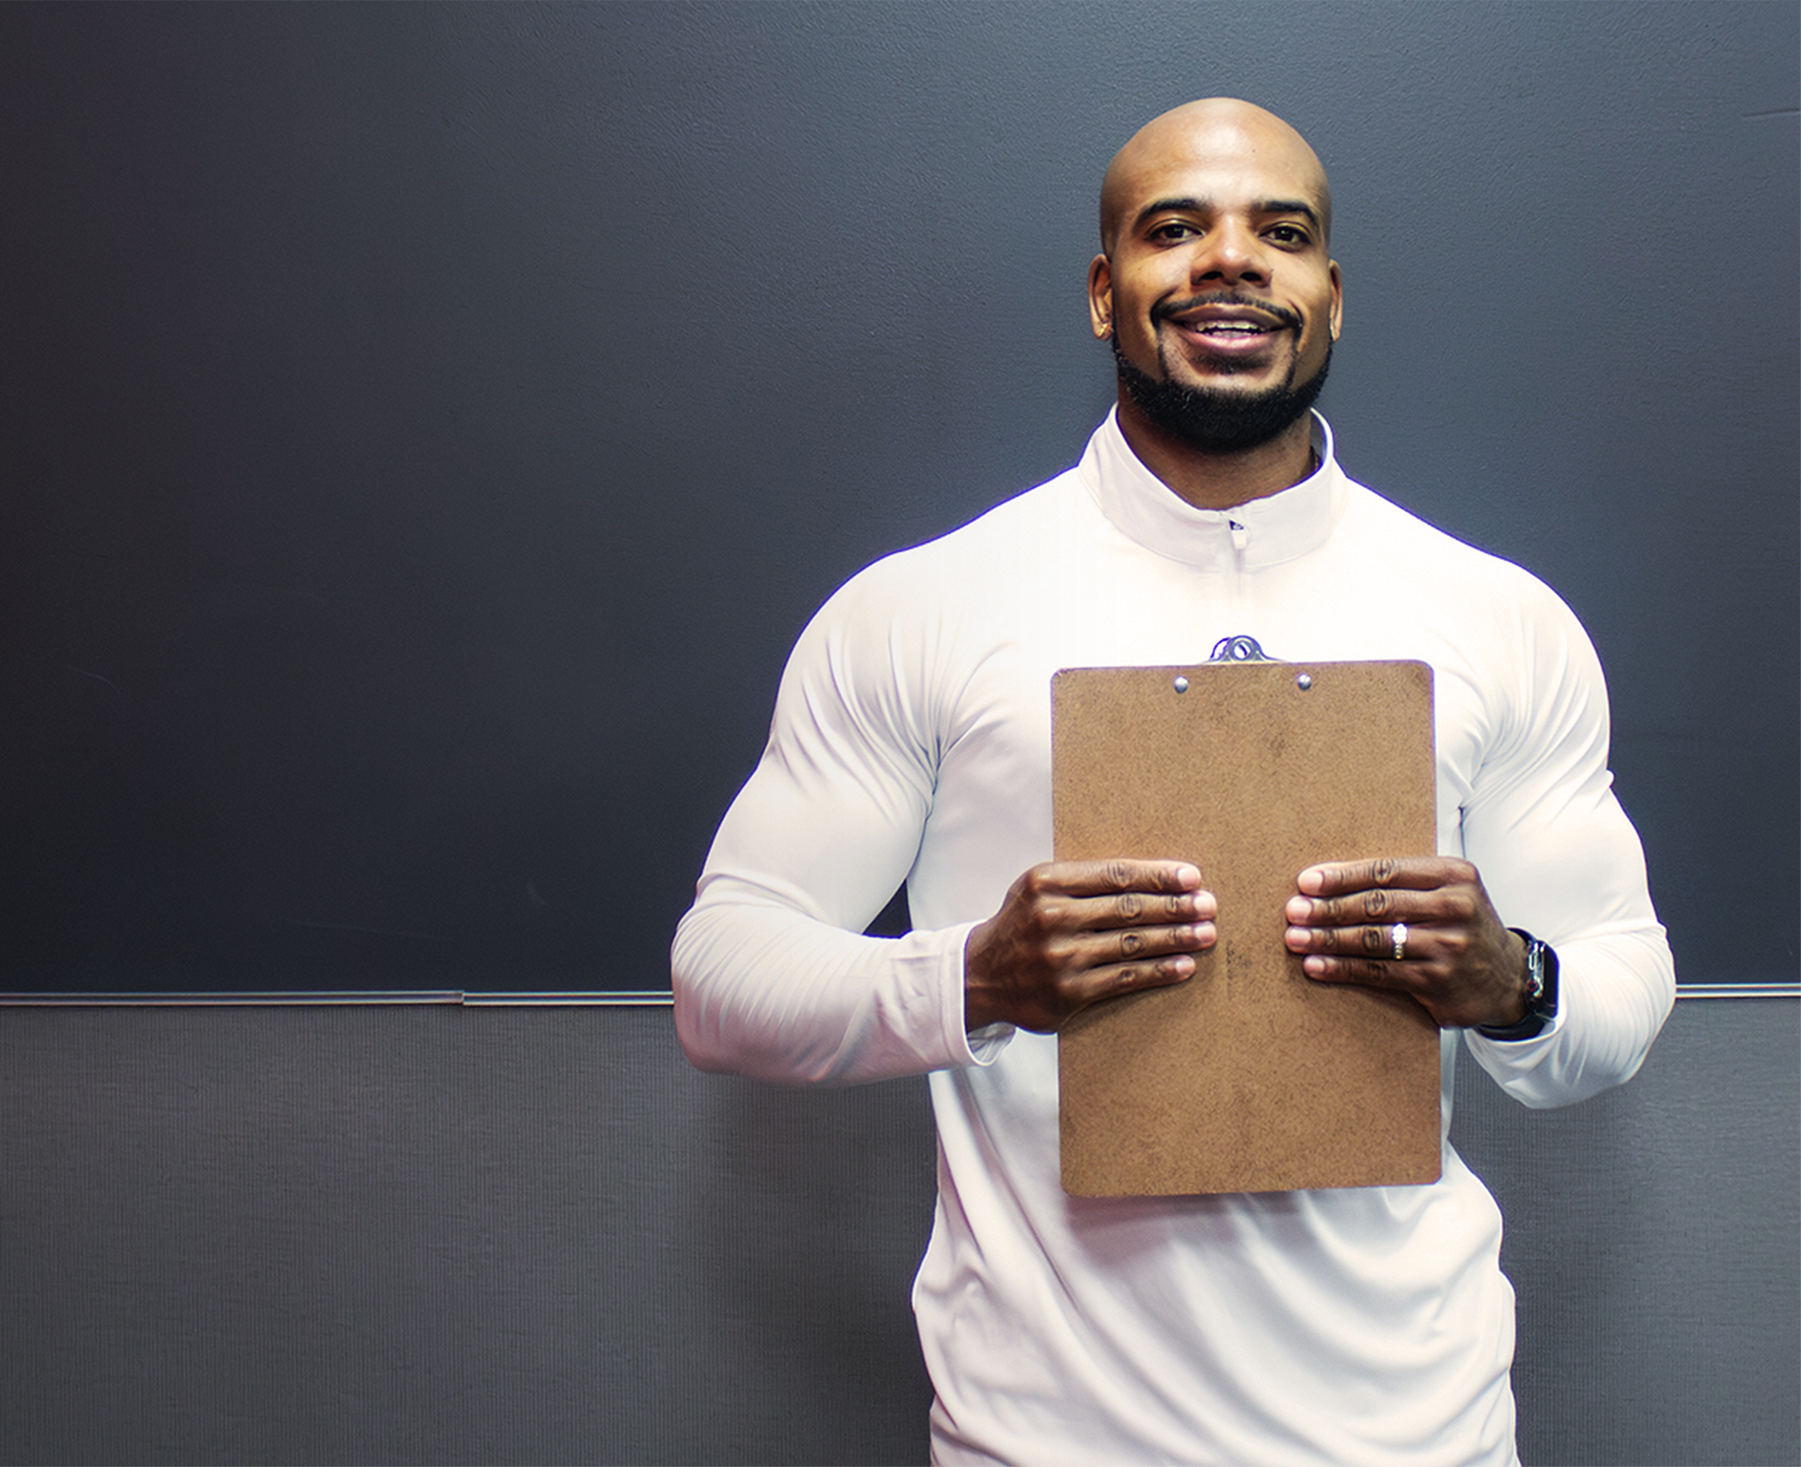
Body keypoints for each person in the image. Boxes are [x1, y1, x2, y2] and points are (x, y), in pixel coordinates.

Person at [670, 98, 1673, 1467]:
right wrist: (974, 978)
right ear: (1105, 291)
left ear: (1332, 297)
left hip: (1418, 1432)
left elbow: (1622, 983)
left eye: (1282, 232)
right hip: (1045, 1437)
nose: (1231, 259)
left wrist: (1515, 982)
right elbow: (721, 976)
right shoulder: (925, 609)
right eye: (1175, 228)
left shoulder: (1497, 619)